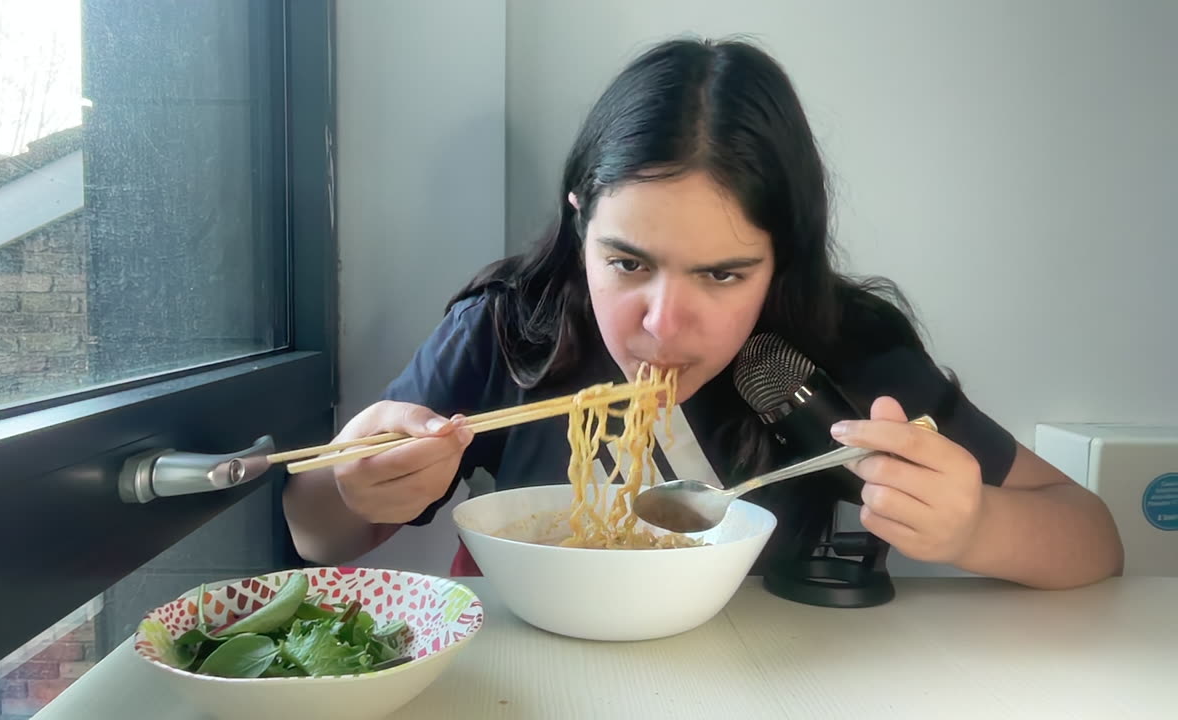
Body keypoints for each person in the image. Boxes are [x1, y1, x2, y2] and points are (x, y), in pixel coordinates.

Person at [283, 37, 1123, 590]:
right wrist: (357, 488)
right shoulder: (514, 329)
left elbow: (1094, 538)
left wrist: (974, 526)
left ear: (780, 260)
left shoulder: (846, 349)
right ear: (579, 221)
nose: (663, 323)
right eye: (626, 263)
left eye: (723, 273)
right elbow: (316, 539)